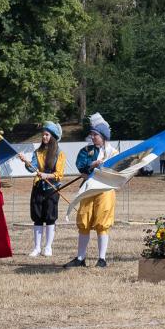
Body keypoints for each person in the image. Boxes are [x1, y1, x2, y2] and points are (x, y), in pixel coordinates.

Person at [64, 113, 119, 269]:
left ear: (103, 137)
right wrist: (93, 164)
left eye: (95, 135)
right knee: (84, 220)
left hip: (105, 190)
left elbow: (117, 171)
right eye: (92, 134)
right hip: (88, 188)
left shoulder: (113, 153)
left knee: (102, 222)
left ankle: (102, 259)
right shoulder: (86, 150)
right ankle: (80, 258)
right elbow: (81, 164)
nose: (93, 137)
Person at [19, 121, 65, 257]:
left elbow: (59, 174)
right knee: (38, 217)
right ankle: (37, 248)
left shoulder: (59, 153)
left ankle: (48, 247)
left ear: (53, 137)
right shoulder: (37, 152)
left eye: (47, 134)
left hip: (52, 188)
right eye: (43, 135)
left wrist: (46, 175)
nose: (44, 137)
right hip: (38, 187)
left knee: (50, 218)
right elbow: (31, 168)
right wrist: (25, 161)